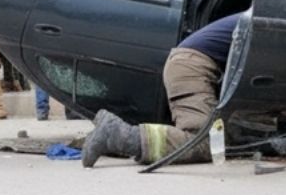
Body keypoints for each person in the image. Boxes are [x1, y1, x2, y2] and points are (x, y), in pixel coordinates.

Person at [83, 13, 242, 167]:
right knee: (205, 142)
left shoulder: (256, 15)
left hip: (191, 62)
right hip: (192, 66)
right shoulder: (260, 20)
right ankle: (119, 135)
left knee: (218, 138)